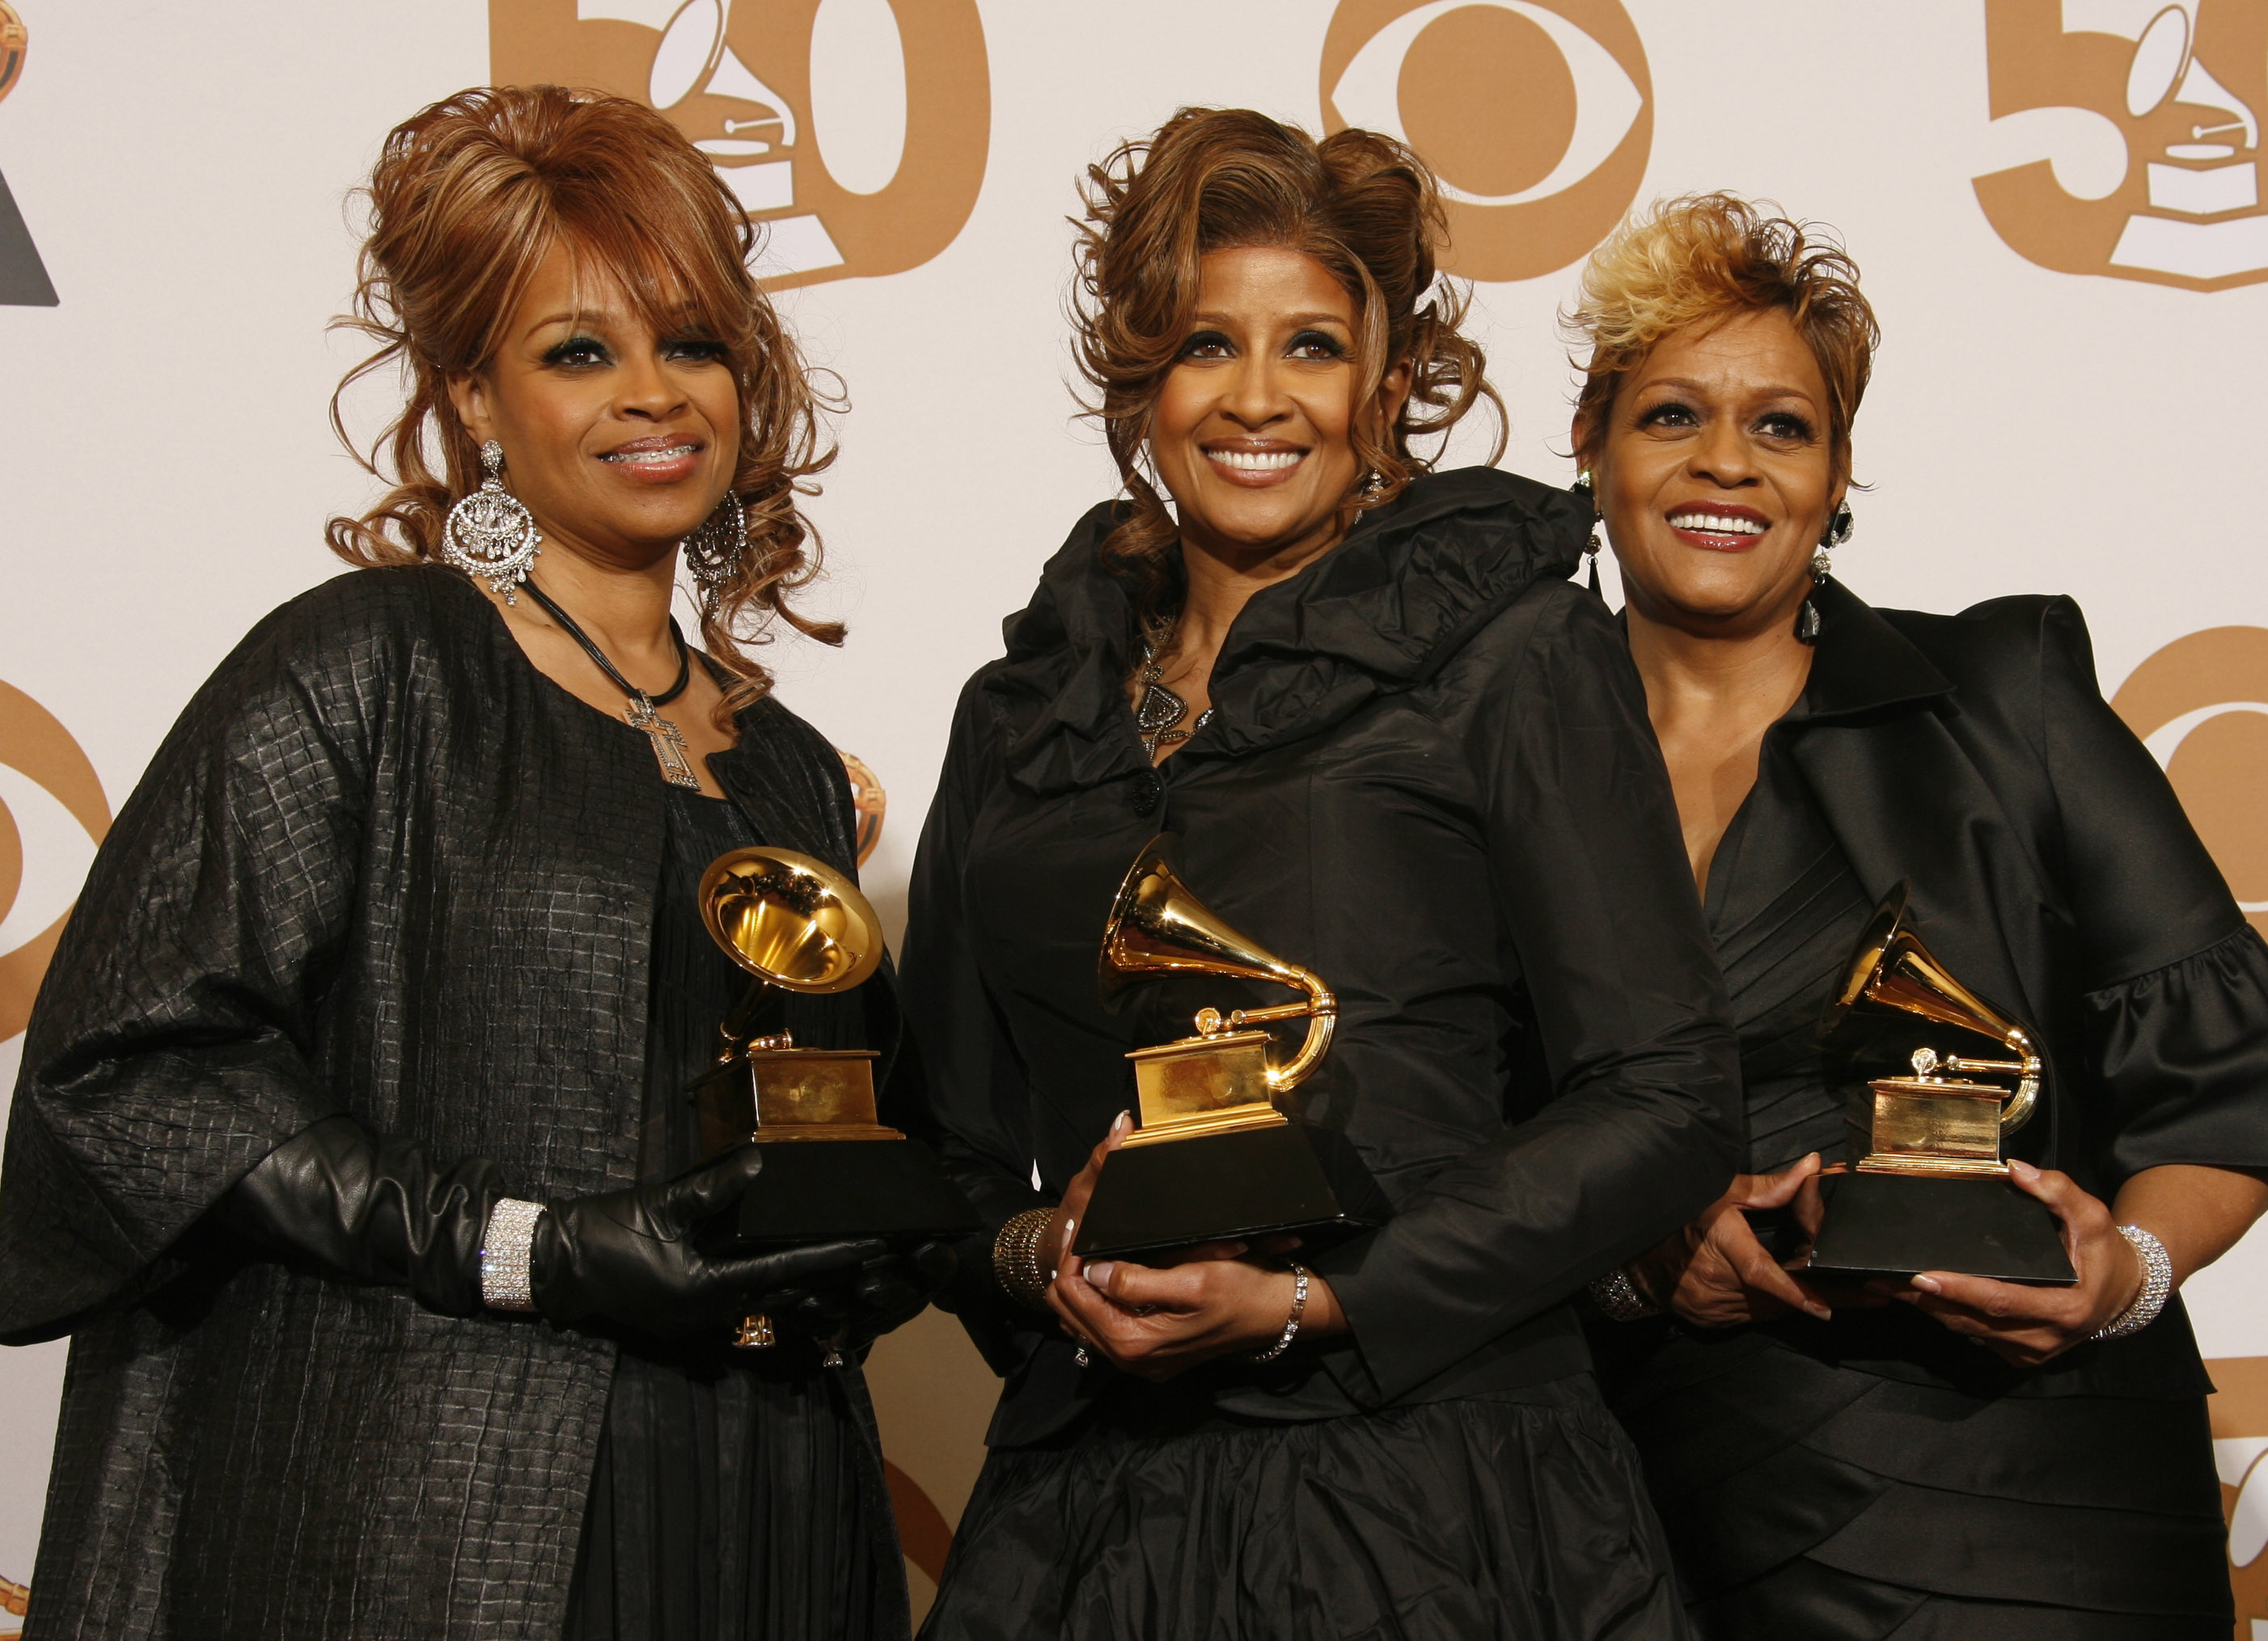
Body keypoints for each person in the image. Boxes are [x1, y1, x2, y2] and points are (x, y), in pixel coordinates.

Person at [0, 86, 939, 1640]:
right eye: (582, 352)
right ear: (478, 398)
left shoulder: (785, 765)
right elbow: (130, 1071)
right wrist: (527, 1246)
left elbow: (854, 1132)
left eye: (691, 342)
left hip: (766, 1502)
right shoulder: (372, 668)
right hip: (438, 1512)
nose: (654, 395)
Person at [894, 108, 1741, 1641]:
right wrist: (1040, 1254)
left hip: (1439, 1495)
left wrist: (1324, 1299)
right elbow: (939, 1151)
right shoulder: (1018, 717)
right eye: (1207, 344)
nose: (1257, 398)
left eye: (1312, 346)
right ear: (1140, 386)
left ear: (1387, 385)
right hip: (1090, 1519)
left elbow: (1667, 1090)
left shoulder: (1514, 653)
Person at [1567, 193, 2268, 1640]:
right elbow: (1445, 1143)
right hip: (1648, 1504)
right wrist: (1629, 1268)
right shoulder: (1492, 771)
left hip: (2041, 1508)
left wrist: (2128, 1272)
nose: (1727, 462)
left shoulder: (2007, 699)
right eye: (1673, 413)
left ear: (1841, 468)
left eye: (1784, 425)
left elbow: (2227, 1094)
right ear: (1593, 447)